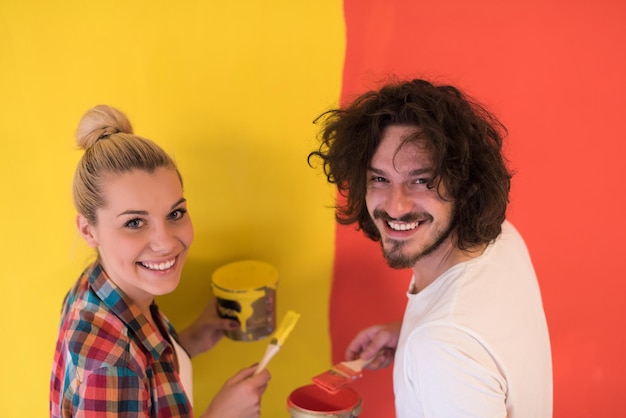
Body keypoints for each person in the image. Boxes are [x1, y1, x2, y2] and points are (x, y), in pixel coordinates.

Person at [308, 79, 552, 417]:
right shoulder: (502, 239)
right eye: (379, 178)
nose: (396, 206)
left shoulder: (441, 348)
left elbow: (451, 341)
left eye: (421, 181)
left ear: (465, 185)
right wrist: (408, 333)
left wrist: (426, 342)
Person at [50, 105, 271, 417]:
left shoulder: (98, 284)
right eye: (134, 223)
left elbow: (142, 375)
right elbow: (124, 369)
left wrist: (187, 342)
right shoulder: (112, 368)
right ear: (89, 231)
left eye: (175, 214)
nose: (166, 242)